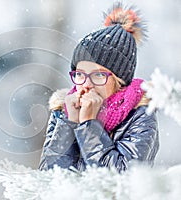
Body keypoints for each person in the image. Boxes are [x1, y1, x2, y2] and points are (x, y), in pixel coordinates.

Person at [39, 2, 159, 172]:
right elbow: (48, 177)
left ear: (120, 82)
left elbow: (122, 178)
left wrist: (89, 125)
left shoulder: (139, 114)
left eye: (99, 75)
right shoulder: (63, 110)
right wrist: (69, 123)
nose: (86, 84)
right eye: (79, 74)